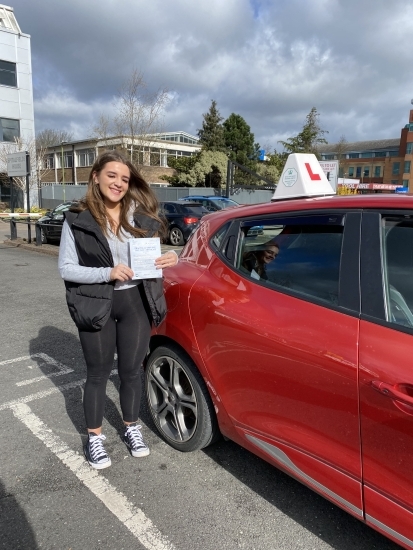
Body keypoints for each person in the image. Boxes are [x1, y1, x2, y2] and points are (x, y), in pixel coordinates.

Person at [58, 150, 178, 470]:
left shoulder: (139, 215)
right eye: (112, 175)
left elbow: (148, 261)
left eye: (125, 178)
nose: (119, 183)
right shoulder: (77, 218)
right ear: (95, 176)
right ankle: (95, 438)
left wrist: (168, 259)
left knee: (130, 372)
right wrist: (106, 272)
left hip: (134, 303)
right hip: (96, 303)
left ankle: (130, 427)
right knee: (97, 374)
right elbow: (67, 268)